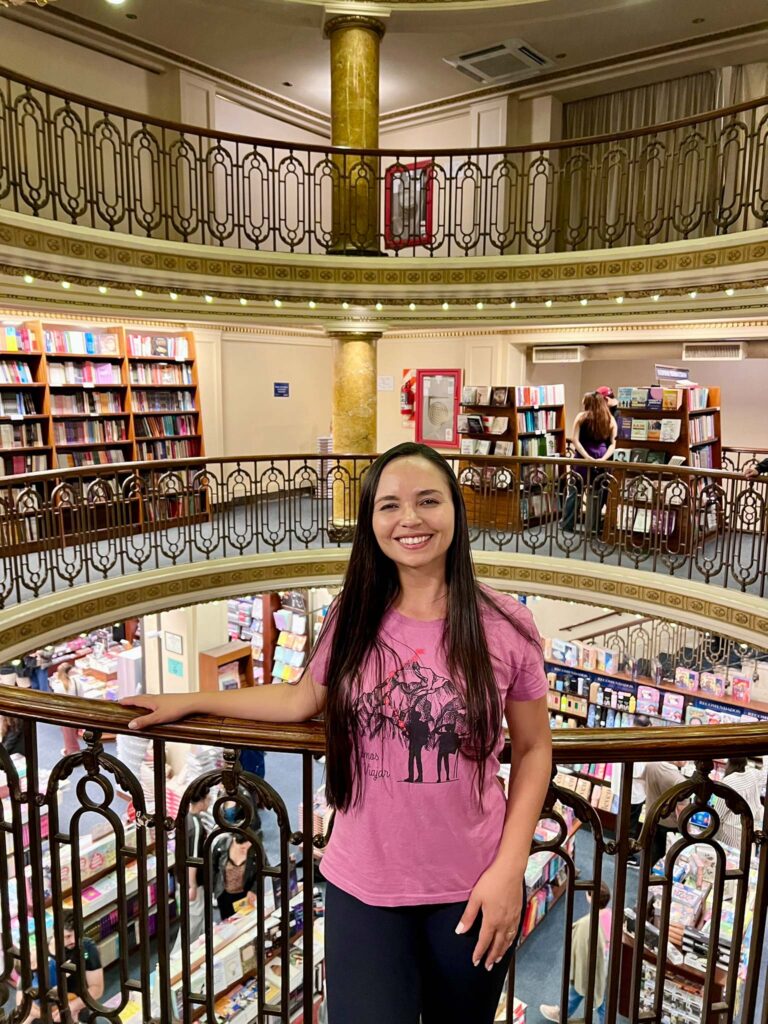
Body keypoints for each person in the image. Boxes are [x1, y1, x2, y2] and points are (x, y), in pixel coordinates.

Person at [122, 441, 552, 1024]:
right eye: (389, 505)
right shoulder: (352, 613)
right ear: (370, 520)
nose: (410, 520)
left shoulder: (505, 624)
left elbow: (531, 749)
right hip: (364, 885)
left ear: (456, 509)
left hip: (472, 885)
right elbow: (302, 698)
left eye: (428, 500)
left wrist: (510, 870)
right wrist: (192, 699)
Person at [539, 880, 612, 1023]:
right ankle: (562, 1013)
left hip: (593, 965)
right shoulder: (611, 915)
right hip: (606, 964)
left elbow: (580, 948)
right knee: (596, 996)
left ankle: (562, 1014)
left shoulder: (587, 924)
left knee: (585, 991)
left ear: (590, 897)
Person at [19, 909, 104, 1022]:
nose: (73, 940)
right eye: (67, 936)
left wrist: (71, 1007)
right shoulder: (38, 954)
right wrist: (44, 1014)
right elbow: (21, 997)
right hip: (45, 1013)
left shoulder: (86, 947)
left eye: (77, 935)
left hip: (76, 1007)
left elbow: (97, 988)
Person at [562, 392, 617, 533]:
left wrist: (586, 457)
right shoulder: (610, 419)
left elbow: (575, 440)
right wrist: (603, 459)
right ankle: (592, 527)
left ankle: (567, 524)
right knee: (596, 494)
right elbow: (613, 444)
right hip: (601, 457)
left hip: (582, 459)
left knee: (575, 491)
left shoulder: (581, 417)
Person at [171, 780, 211, 954]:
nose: (210, 801)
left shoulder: (183, 818)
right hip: (193, 883)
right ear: (201, 800)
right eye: (208, 798)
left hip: (181, 879)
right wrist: (192, 885)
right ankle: (177, 959)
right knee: (192, 923)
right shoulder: (195, 825)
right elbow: (193, 859)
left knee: (194, 920)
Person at [643, 759, 689, 868]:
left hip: (651, 818)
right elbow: (682, 812)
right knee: (668, 862)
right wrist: (688, 831)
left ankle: (647, 881)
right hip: (670, 827)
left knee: (652, 858)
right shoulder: (679, 781)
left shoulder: (651, 765)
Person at [712, 757, 765, 849]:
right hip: (750, 829)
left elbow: (718, 815)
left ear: (729, 763)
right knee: (746, 859)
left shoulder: (728, 781)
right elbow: (765, 775)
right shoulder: (753, 773)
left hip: (729, 835)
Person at [212, 831, 261, 921]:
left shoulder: (255, 848)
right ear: (234, 841)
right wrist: (213, 889)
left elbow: (262, 871)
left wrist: (254, 890)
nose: (245, 851)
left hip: (245, 895)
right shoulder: (222, 845)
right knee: (227, 922)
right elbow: (213, 868)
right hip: (224, 895)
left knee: (246, 921)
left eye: (248, 847)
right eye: (242, 848)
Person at [50, 663, 82, 756]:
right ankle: (72, 750)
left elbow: (56, 701)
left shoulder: (58, 685)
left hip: (65, 712)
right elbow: (81, 696)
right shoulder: (76, 682)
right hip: (76, 710)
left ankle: (73, 753)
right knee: (72, 732)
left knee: (68, 734)